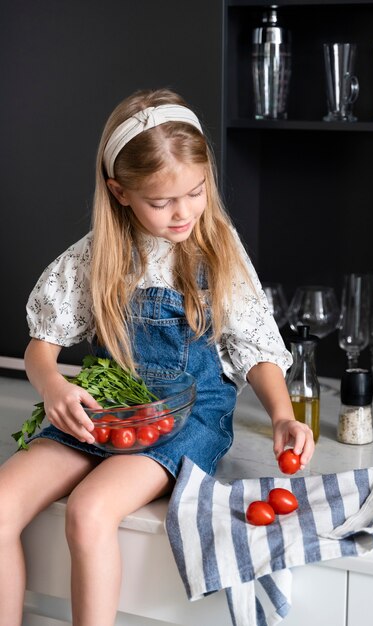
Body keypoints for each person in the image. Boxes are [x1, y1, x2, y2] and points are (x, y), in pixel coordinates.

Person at [0, 88, 315, 626]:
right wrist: (53, 385)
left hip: (187, 416)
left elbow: (254, 345)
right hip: (109, 411)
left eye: (195, 192)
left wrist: (283, 414)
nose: (183, 212)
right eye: (161, 201)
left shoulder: (217, 247)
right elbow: (41, 348)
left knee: (89, 510)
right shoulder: (98, 253)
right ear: (119, 192)